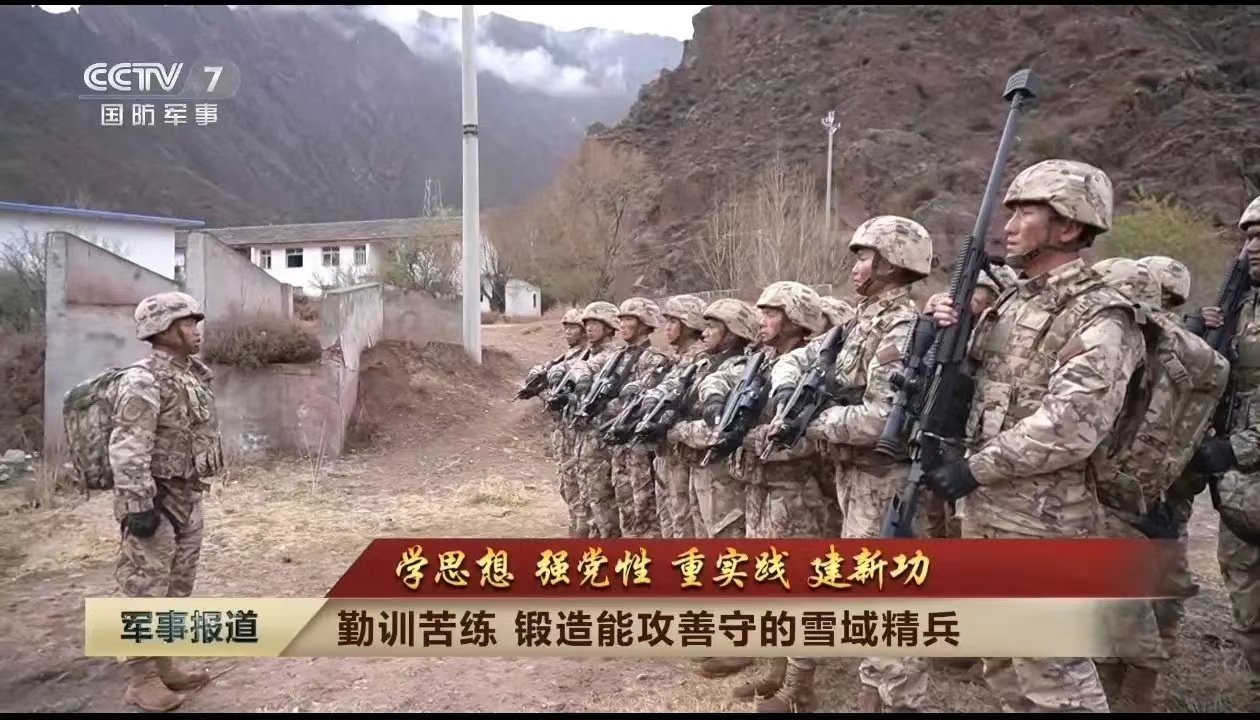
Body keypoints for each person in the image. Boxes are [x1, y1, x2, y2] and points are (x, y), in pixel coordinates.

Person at [923, 159, 1144, 712]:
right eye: (1011, 211)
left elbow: (1071, 426)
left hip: (1043, 522)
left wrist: (973, 468)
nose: (1010, 225)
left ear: (1067, 227)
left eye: (1026, 212)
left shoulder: (1100, 314)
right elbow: (971, 389)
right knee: (1001, 661)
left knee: (1054, 674)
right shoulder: (1011, 302)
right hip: (986, 511)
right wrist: (940, 333)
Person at [775, 216, 933, 713]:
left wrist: (814, 421)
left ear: (891, 263)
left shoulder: (903, 328)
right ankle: (871, 696)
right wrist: (787, 392)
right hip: (853, 477)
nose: (856, 266)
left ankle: (898, 701)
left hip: (883, 479)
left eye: (865, 256)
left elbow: (882, 418)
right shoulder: (858, 323)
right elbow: (797, 360)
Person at [698, 281, 828, 712]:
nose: (762, 321)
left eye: (771, 314)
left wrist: (748, 438)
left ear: (794, 321)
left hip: (792, 491)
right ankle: (775, 669)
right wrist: (717, 406)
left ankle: (799, 686)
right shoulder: (761, 361)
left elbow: (808, 436)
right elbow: (719, 381)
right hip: (758, 487)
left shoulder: (813, 365)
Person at [111, 292, 222, 711]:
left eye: (195, 322)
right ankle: (141, 679)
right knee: (144, 589)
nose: (196, 330)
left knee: (177, 586)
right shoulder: (143, 380)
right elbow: (128, 447)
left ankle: (164, 665)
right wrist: (139, 505)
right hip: (154, 502)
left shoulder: (191, 375)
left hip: (186, 496)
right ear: (164, 329)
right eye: (187, 323)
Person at [1196, 194, 1260, 711]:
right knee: (1246, 594)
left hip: (1241, 460)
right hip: (1241, 489)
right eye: (1249, 236)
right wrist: (1200, 336)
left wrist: (1237, 446)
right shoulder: (1243, 307)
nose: (1253, 246)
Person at [1136, 255, 1202, 660]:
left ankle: (1154, 642)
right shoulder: (1194, 345)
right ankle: (1163, 636)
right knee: (1168, 547)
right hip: (1177, 466)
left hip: (1148, 466)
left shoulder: (1159, 342)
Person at [549, 301, 624, 538]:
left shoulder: (614, 357)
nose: (589, 328)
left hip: (600, 442)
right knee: (584, 501)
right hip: (582, 442)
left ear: (609, 327)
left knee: (602, 505)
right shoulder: (585, 355)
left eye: (595, 324)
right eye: (587, 323)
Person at [523, 308, 590, 536]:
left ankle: (582, 530)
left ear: (583, 331)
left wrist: (552, 395)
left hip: (576, 430)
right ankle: (576, 525)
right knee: (566, 484)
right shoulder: (565, 357)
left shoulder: (586, 357)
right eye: (566, 327)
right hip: (561, 428)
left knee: (579, 484)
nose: (568, 332)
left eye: (573, 328)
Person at [651, 294, 707, 538]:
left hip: (683, 456)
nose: (667, 327)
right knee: (669, 521)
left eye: (674, 321)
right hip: (666, 454)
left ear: (690, 324)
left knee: (683, 525)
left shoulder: (699, 359)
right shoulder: (675, 360)